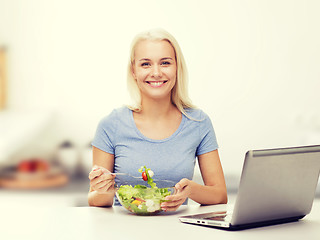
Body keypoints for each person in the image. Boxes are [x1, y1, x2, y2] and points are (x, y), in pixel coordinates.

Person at [88, 28, 227, 211]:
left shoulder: (198, 122)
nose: (156, 73)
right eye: (145, 64)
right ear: (133, 71)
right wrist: (103, 189)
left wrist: (191, 190)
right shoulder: (110, 125)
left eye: (165, 63)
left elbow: (220, 195)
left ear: (177, 68)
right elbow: (95, 199)